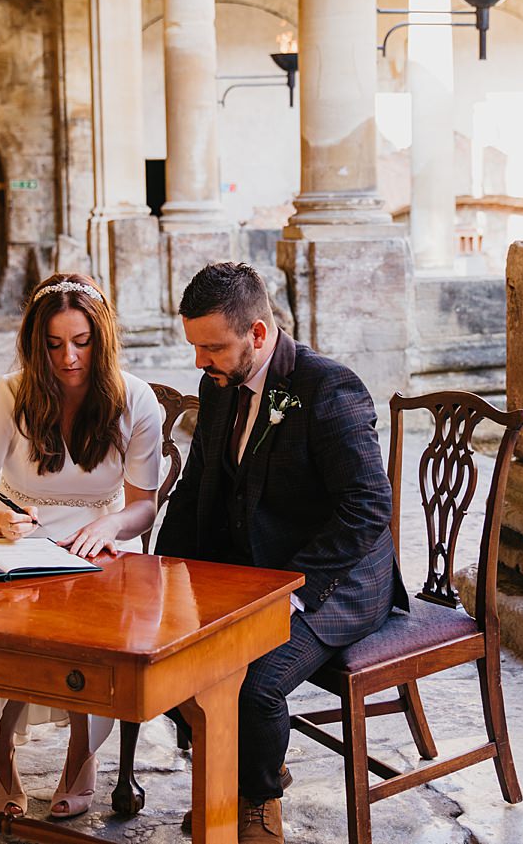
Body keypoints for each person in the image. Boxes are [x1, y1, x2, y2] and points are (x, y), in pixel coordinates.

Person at [154, 262, 408, 843]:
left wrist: (292, 593)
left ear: (259, 335)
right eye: (195, 347)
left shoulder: (328, 388)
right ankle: (233, 767)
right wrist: (162, 576)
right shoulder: (217, 383)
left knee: (253, 682)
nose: (200, 362)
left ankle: (257, 798)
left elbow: (368, 508)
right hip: (254, 569)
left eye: (212, 347)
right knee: (165, 654)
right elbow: (197, 488)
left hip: (335, 583)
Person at [0, 272, 163, 820]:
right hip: (22, 535)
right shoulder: (12, 393)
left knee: (97, 627)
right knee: (13, 622)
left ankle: (80, 756)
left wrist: (111, 526)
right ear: (35, 344)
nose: (68, 358)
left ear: (103, 338)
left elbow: (144, 503)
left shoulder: (136, 399)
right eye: (53, 344)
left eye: (81, 342)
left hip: (102, 539)